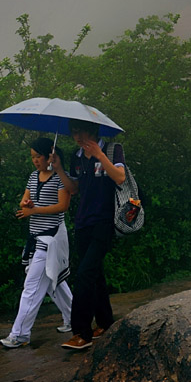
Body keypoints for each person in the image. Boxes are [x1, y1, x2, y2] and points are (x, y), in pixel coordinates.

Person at [54, 119, 126, 350]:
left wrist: (98, 154)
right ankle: (105, 323)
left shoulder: (113, 149)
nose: (77, 136)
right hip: (83, 223)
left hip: (104, 222)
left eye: (80, 131)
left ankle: (81, 333)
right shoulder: (76, 157)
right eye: (73, 132)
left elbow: (119, 177)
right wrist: (58, 169)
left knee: (84, 274)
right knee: (94, 275)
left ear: (93, 129)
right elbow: (73, 189)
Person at [0, 138, 74, 348]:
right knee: (55, 282)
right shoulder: (33, 177)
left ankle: (20, 334)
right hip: (35, 237)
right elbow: (25, 200)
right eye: (32, 157)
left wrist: (34, 210)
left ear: (49, 156)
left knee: (31, 287)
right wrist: (26, 203)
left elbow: (63, 206)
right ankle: (74, 318)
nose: (34, 161)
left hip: (50, 239)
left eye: (37, 156)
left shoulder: (60, 178)